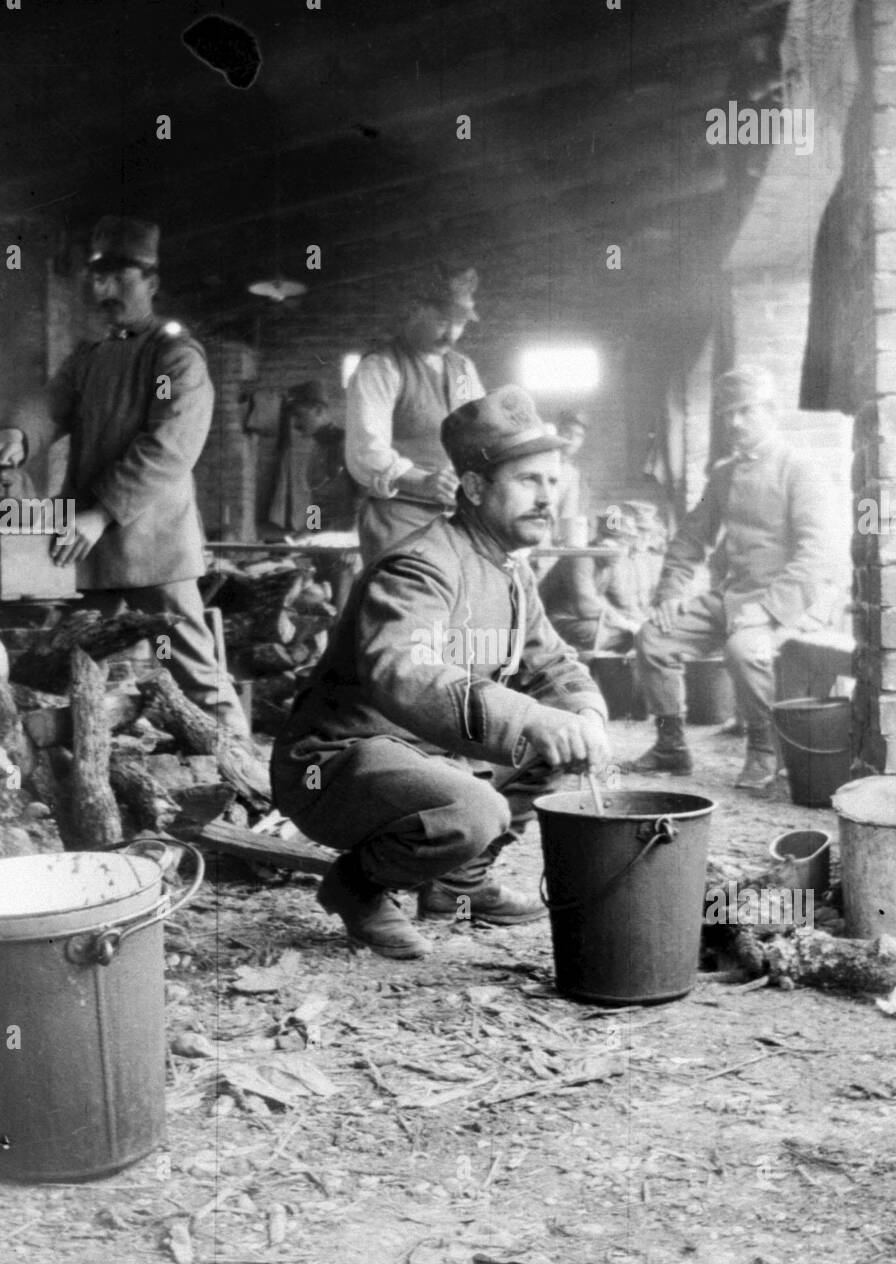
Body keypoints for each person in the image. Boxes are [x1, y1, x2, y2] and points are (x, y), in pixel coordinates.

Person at [272, 386, 611, 960]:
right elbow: (405, 670)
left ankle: (457, 887)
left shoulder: (510, 571)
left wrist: (585, 714)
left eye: (553, 482)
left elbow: (552, 661)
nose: (547, 498)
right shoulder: (420, 565)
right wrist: (529, 718)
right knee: (475, 809)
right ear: (475, 488)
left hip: (431, 760)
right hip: (338, 762)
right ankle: (356, 886)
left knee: (560, 747)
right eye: (529, 481)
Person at [0, 216, 249, 735]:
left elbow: (167, 449)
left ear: (151, 282)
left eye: (120, 276)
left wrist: (97, 514)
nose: (104, 287)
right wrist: (20, 437)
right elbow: (49, 406)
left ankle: (249, 774)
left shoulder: (175, 356)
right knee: (71, 665)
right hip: (87, 548)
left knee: (194, 671)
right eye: (97, 276)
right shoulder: (88, 358)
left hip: (152, 546)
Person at [628, 364, 837, 791]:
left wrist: (766, 611)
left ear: (771, 412)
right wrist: (670, 591)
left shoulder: (800, 469)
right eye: (728, 414)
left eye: (746, 411)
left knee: (744, 650)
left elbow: (817, 555)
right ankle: (671, 745)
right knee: (653, 637)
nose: (735, 422)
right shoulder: (723, 473)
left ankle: (764, 749)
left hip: (791, 603)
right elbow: (690, 536)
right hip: (733, 597)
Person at [345, 262, 484, 563]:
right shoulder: (381, 367)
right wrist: (423, 481)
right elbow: (365, 452)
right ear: (415, 309)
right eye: (443, 321)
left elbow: (483, 433)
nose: (452, 334)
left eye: (460, 324)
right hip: (398, 521)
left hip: (455, 520)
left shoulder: (462, 369)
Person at [539, 510, 643, 652]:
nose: (622, 551)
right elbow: (586, 606)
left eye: (625, 545)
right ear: (601, 540)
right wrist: (624, 624)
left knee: (639, 633)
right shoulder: (580, 557)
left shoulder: (608, 563)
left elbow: (623, 603)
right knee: (599, 633)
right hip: (556, 622)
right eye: (618, 544)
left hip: (582, 621)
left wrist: (643, 624)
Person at [267, 379, 356, 534]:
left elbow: (363, 500)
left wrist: (353, 538)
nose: (295, 424)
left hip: (347, 542)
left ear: (319, 411)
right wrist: (309, 530)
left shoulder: (347, 446)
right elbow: (316, 500)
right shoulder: (317, 450)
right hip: (324, 543)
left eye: (299, 416)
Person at [553, 407, 590, 532]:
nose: (572, 439)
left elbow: (569, 514)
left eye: (579, 435)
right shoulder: (540, 462)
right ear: (557, 432)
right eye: (567, 431)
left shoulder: (573, 473)